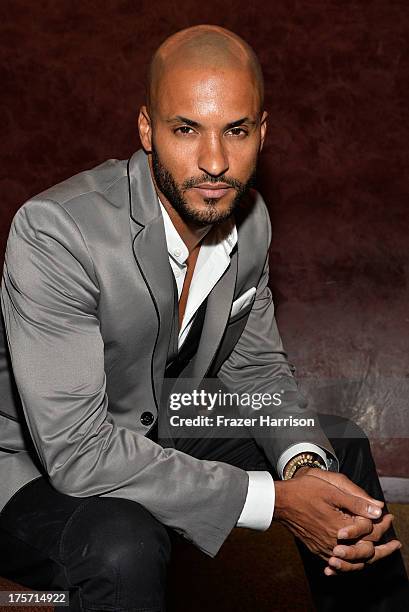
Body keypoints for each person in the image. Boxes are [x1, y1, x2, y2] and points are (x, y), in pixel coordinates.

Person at [0, 24, 407, 612]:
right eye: (186, 129)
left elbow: (259, 372)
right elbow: (77, 450)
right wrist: (275, 499)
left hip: (153, 416)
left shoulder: (250, 222)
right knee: (122, 546)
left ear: (262, 134)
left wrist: (304, 467)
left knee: (338, 450)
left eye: (235, 130)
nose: (214, 162)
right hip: (31, 456)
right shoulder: (57, 231)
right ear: (147, 130)